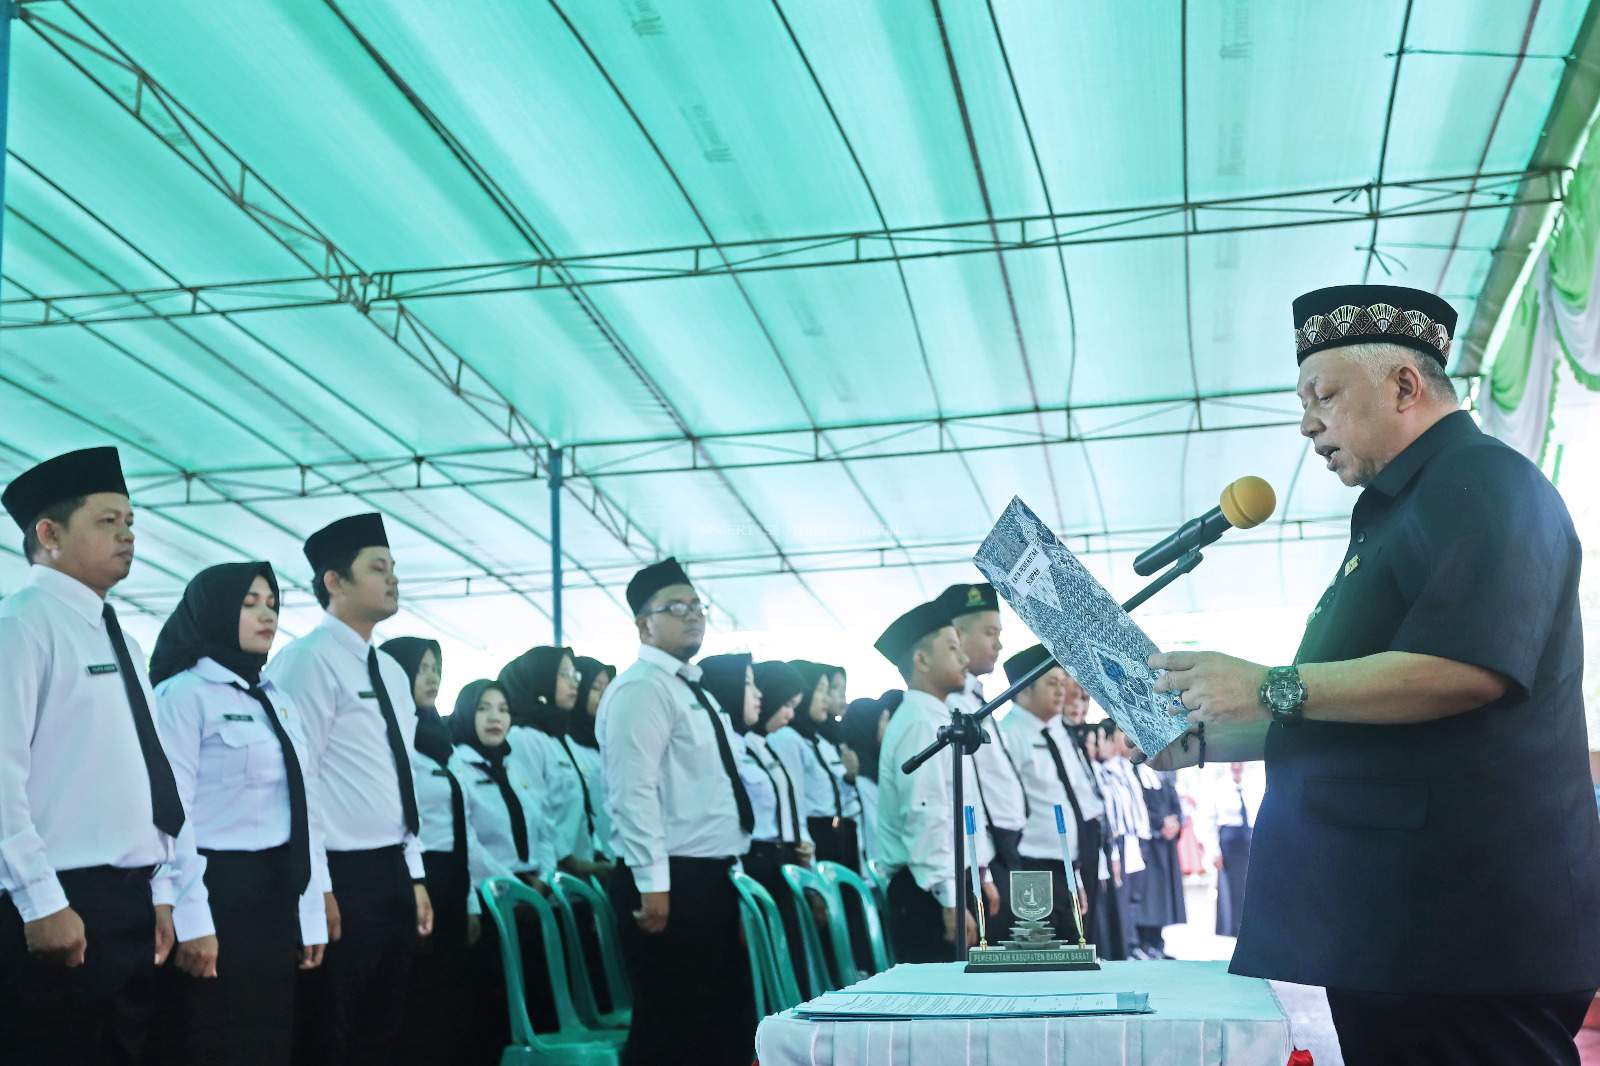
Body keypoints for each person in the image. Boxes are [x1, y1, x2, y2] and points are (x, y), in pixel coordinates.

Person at [1143, 283, 1600, 1062]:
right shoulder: (1406, 508)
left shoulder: (1484, 482)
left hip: (1465, 934)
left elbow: (1467, 669)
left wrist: (1267, 683)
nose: (1307, 423)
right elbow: (1347, 708)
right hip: (1400, 930)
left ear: (1404, 384)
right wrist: (1199, 743)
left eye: (1323, 394)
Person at [0, 447, 183, 1064]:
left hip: (125, 903)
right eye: (108, 521)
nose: (128, 535)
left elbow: (139, 777)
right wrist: (41, 901)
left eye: (130, 522)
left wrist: (159, 891)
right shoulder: (21, 626)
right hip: (60, 901)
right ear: (48, 533)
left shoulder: (123, 638)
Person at [263, 513, 432, 1066]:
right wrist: (319, 888)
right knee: (332, 1029)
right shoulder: (307, 661)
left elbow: (397, 777)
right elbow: (297, 781)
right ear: (334, 582)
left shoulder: (388, 669)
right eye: (377, 568)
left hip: (390, 869)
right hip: (340, 872)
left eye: (394, 569)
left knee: (388, 1027)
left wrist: (415, 873)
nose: (393, 580)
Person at [147, 562, 326, 1066]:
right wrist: (192, 917)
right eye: (249, 603)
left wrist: (309, 912)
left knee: (268, 1035)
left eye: (271, 602)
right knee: (210, 1035)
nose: (266, 613)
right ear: (216, 611)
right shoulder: (182, 696)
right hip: (215, 885)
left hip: (273, 891)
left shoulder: (277, 698)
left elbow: (303, 806)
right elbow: (171, 814)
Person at [597, 558, 754, 1066]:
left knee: (717, 1025)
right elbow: (632, 791)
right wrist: (652, 882)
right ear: (644, 624)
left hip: (708, 876)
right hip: (671, 881)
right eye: (676, 608)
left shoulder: (694, 690)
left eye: (697, 606)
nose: (693, 616)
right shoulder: (642, 687)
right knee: (671, 1029)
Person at [380, 637, 489, 1066]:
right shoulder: (389, 737)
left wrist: (472, 897)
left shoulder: (443, 742)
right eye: (422, 667)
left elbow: (468, 826)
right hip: (417, 876)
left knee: (452, 988)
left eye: (437, 667)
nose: (432, 677)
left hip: (453, 876)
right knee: (417, 991)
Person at [874, 601, 997, 962]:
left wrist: (980, 873)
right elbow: (925, 815)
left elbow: (962, 806)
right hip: (925, 889)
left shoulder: (937, 715)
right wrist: (950, 899)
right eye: (952, 647)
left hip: (945, 878)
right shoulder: (918, 721)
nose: (963, 658)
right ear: (922, 660)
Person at [995, 645, 1102, 943]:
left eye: (1062, 683)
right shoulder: (1008, 734)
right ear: (1024, 691)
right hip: (1032, 863)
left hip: (1071, 861)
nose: (1061, 692)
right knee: (1043, 949)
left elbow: (1077, 794)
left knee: (1078, 943)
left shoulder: (1058, 730)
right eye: (1051, 684)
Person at [935, 583, 1029, 920]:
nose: (999, 644)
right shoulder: (949, 705)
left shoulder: (976, 698)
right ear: (957, 635)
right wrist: (983, 867)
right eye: (990, 633)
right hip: (985, 850)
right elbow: (961, 794)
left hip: (1004, 847)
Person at [499, 648, 599, 877]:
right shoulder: (523, 736)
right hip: (554, 872)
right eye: (564, 674)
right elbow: (535, 808)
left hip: (581, 866)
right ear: (540, 679)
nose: (574, 682)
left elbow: (582, 806)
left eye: (576, 675)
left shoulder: (559, 735)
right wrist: (567, 859)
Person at [771, 661, 861, 873]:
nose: (827, 699)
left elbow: (838, 795)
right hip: (815, 835)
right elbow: (795, 801)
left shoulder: (819, 740)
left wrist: (849, 777)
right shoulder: (788, 738)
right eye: (821, 690)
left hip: (836, 832)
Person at [568, 656, 617, 866]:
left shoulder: (606, 741)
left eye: (607, 689)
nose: (603, 697)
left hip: (613, 852)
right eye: (596, 688)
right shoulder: (566, 743)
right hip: (584, 860)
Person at [1131, 765, 1184, 960]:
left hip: (1166, 844)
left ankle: (1158, 942)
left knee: (1162, 896)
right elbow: (1138, 807)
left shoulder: (1165, 774)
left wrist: (1175, 822)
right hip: (1149, 842)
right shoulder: (1135, 773)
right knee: (1148, 896)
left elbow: (1175, 804)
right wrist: (1160, 824)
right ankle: (1144, 942)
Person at [1203, 762, 1256, 938]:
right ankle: (1232, 929)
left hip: (1249, 840)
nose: (1236, 766)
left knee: (1250, 886)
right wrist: (1214, 851)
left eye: (1240, 763)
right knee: (1231, 889)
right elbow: (1209, 821)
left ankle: (1248, 927)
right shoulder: (1219, 787)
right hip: (1229, 844)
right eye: (1234, 763)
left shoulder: (1253, 785)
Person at [837, 697, 889, 866]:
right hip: (870, 873)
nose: (888, 728)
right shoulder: (855, 778)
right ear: (868, 725)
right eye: (883, 721)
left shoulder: (878, 772)